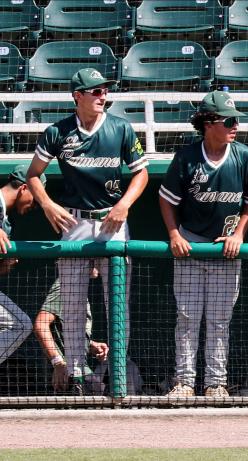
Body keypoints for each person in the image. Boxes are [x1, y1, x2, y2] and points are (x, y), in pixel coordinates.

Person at [26, 68, 148, 395]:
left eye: (104, 90)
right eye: (94, 91)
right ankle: (77, 378)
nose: (101, 95)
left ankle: (117, 376)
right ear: (77, 96)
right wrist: (49, 205)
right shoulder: (58, 131)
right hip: (75, 222)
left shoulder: (120, 128)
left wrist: (124, 205)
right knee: (73, 304)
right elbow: (33, 174)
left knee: (117, 304)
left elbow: (141, 175)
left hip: (113, 221)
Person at [159, 90, 248, 398]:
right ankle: (185, 382)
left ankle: (216, 383)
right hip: (191, 244)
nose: (235, 126)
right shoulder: (187, 157)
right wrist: (174, 234)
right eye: (228, 120)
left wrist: (239, 233)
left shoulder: (243, 156)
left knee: (219, 321)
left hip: (226, 250)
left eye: (236, 120)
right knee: (187, 318)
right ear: (208, 123)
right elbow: (165, 200)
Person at [0, 165, 45, 366]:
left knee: (20, 324)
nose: (35, 205)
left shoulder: (5, 220)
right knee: (20, 325)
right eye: (36, 199)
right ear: (24, 188)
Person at [34, 274, 108, 393]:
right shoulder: (67, 284)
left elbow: (64, 328)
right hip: (67, 375)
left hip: (75, 371)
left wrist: (90, 344)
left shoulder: (76, 284)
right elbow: (41, 324)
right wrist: (58, 363)